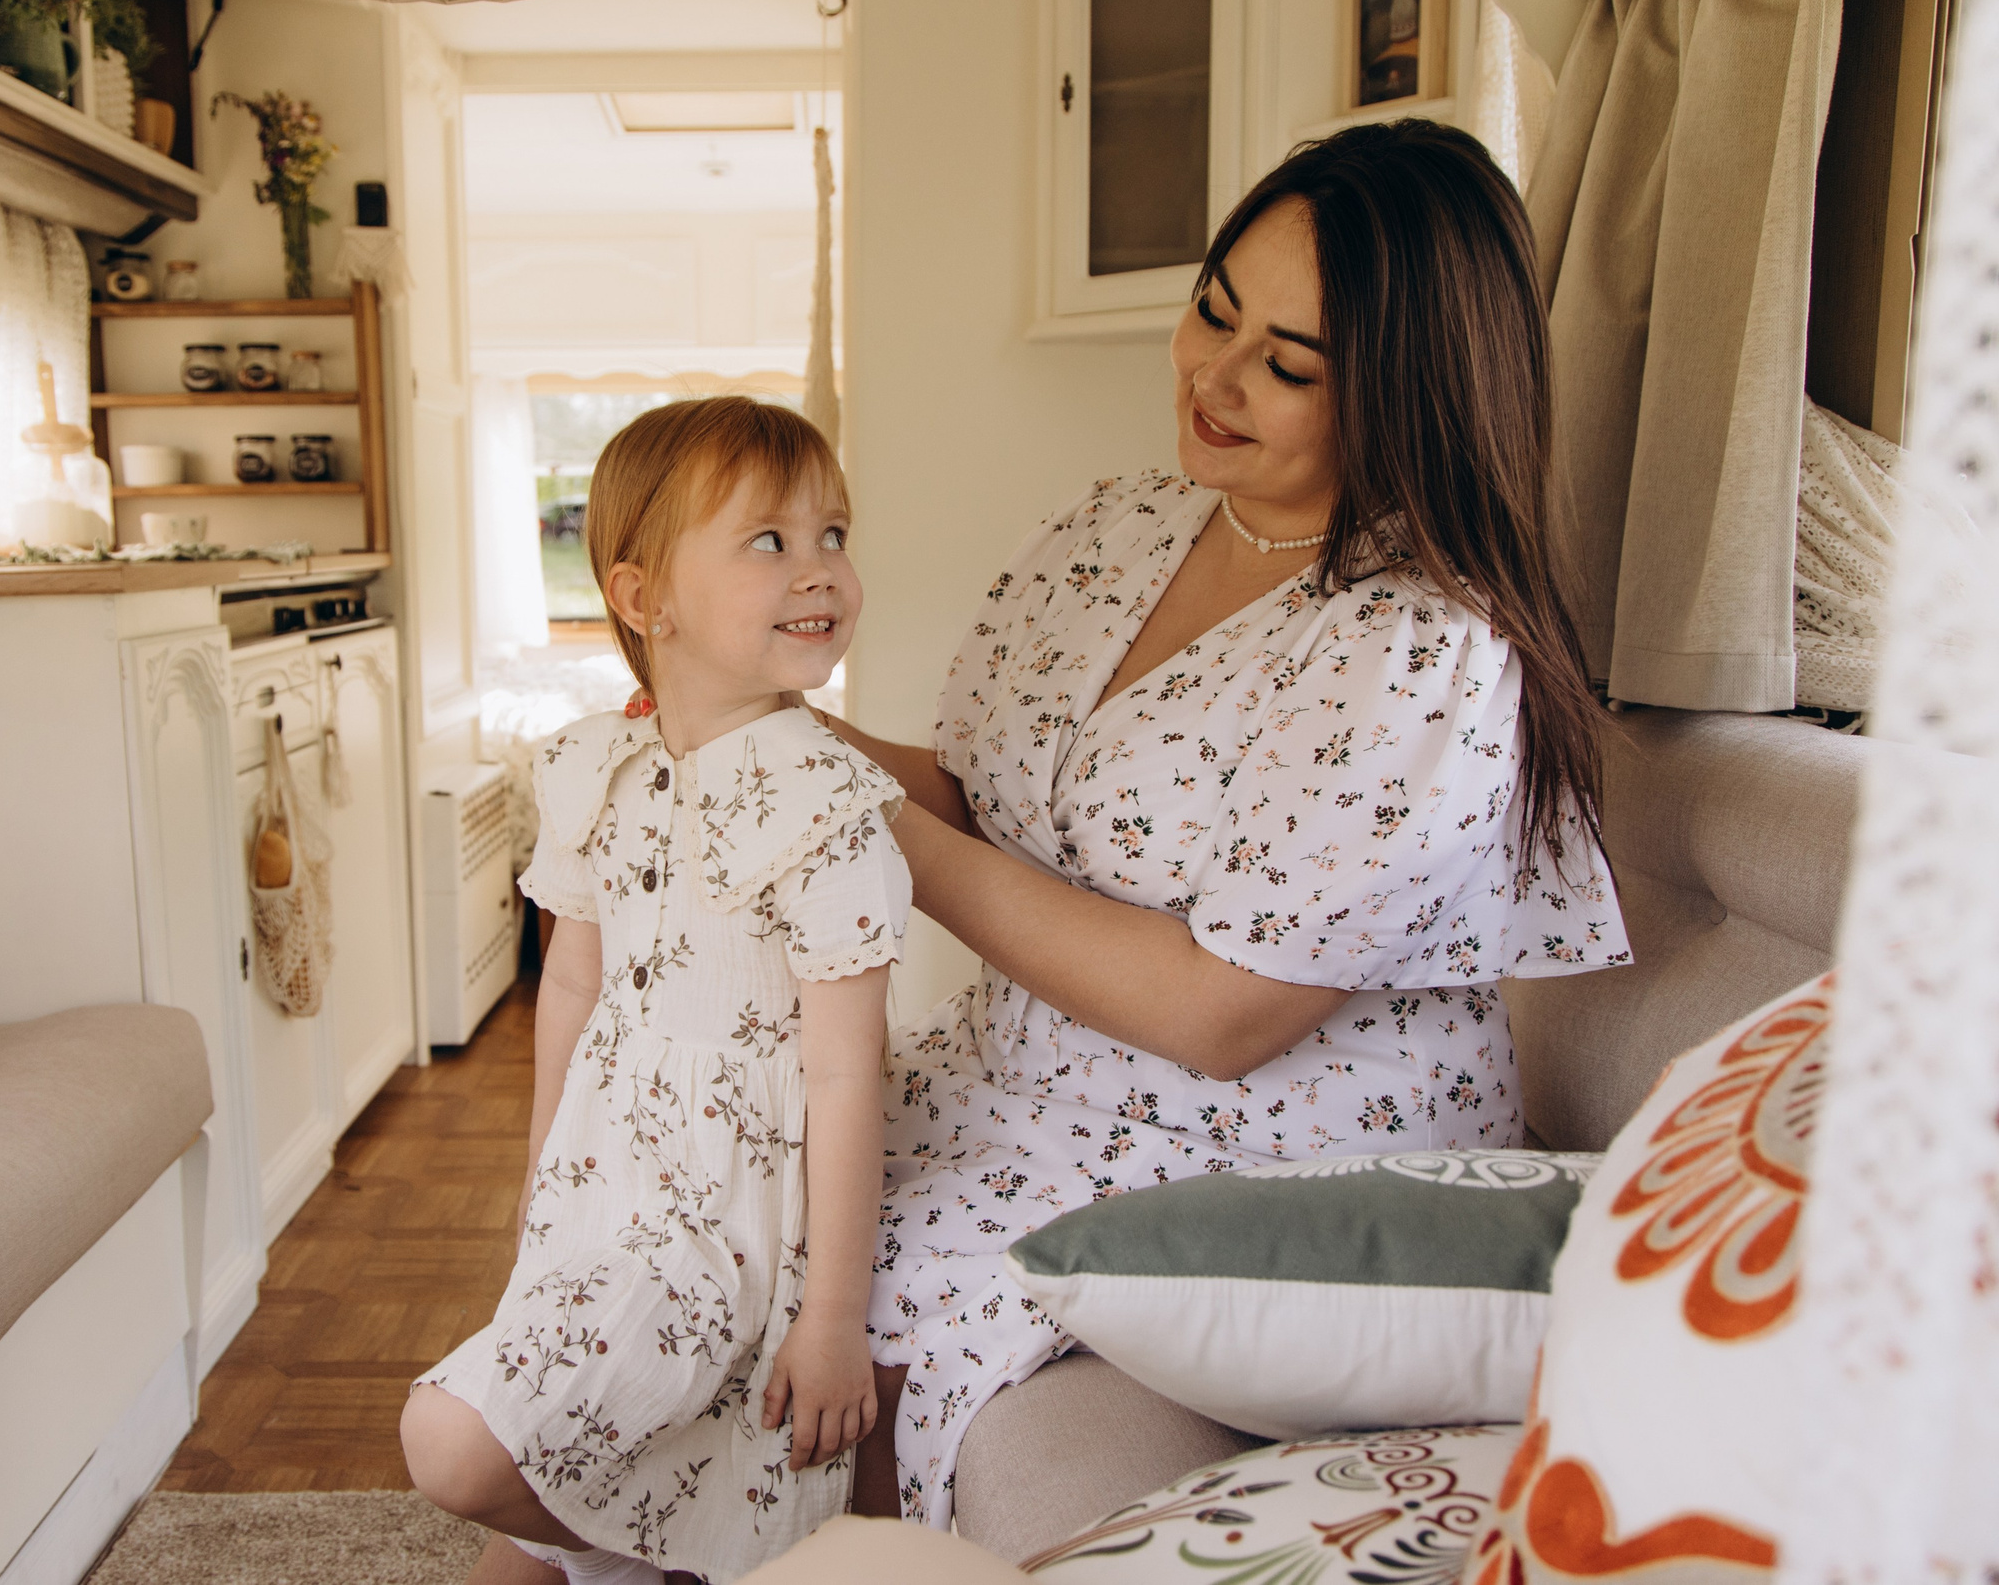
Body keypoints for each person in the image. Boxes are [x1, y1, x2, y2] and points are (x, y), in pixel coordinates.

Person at [811, 120, 1634, 1528]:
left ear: (1411, 393)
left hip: (1245, 1140)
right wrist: (775, 742)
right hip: (1022, 1080)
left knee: (834, 1324)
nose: (1216, 375)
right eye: (1213, 308)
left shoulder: (1418, 644)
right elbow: (964, 787)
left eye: (1289, 364)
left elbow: (1222, 1009)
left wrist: (892, 834)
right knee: (723, 1206)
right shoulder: (1122, 523)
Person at [402, 398, 911, 1585]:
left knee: (454, 1441)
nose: (820, 568)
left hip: (726, 1211)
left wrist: (830, 1322)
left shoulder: (826, 806)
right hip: (601, 1181)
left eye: (832, 532)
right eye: (769, 541)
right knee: (550, 1483)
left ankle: (647, 1542)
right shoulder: (593, 767)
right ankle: (629, 1553)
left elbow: (846, 1071)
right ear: (643, 601)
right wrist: (541, 1189)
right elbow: (570, 984)